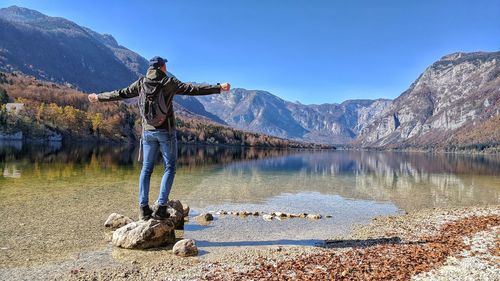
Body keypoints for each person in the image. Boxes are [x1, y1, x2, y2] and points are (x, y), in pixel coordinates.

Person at [88, 56, 230, 220]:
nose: (166, 68)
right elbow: (193, 89)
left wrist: (98, 97)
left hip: (147, 132)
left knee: (146, 169)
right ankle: (161, 207)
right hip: (166, 132)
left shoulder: (141, 83)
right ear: (162, 67)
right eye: (165, 66)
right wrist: (218, 87)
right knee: (170, 167)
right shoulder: (169, 82)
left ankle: (144, 209)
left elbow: (121, 94)